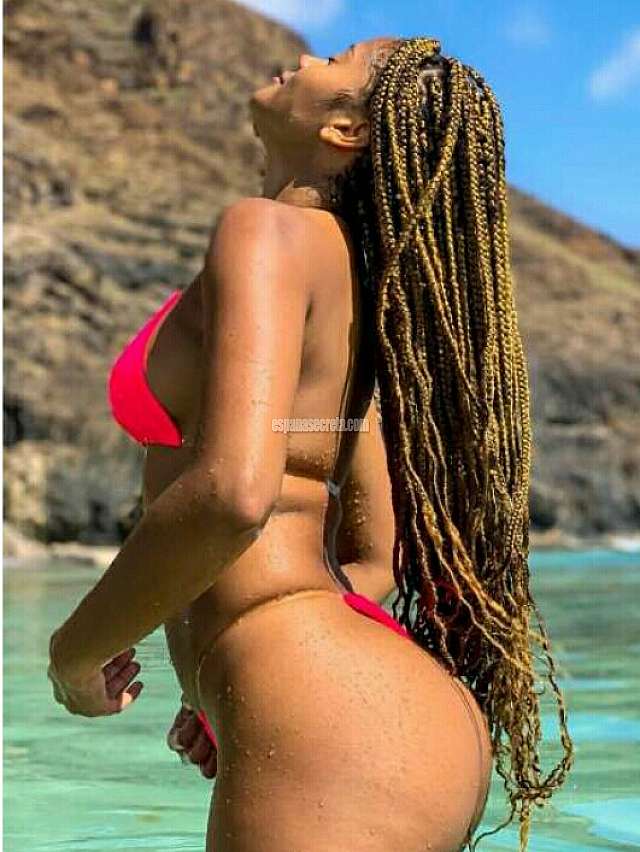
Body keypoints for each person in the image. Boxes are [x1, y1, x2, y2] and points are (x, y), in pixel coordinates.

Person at [47, 35, 574, 851]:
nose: (303, 56)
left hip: (333, 723)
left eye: (338, 58)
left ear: (345, 130)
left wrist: (77, 655)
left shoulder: (263, 232)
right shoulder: (352, 281)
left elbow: (233, 495)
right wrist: (232, 683)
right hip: (376, 716)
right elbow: (375, 553)